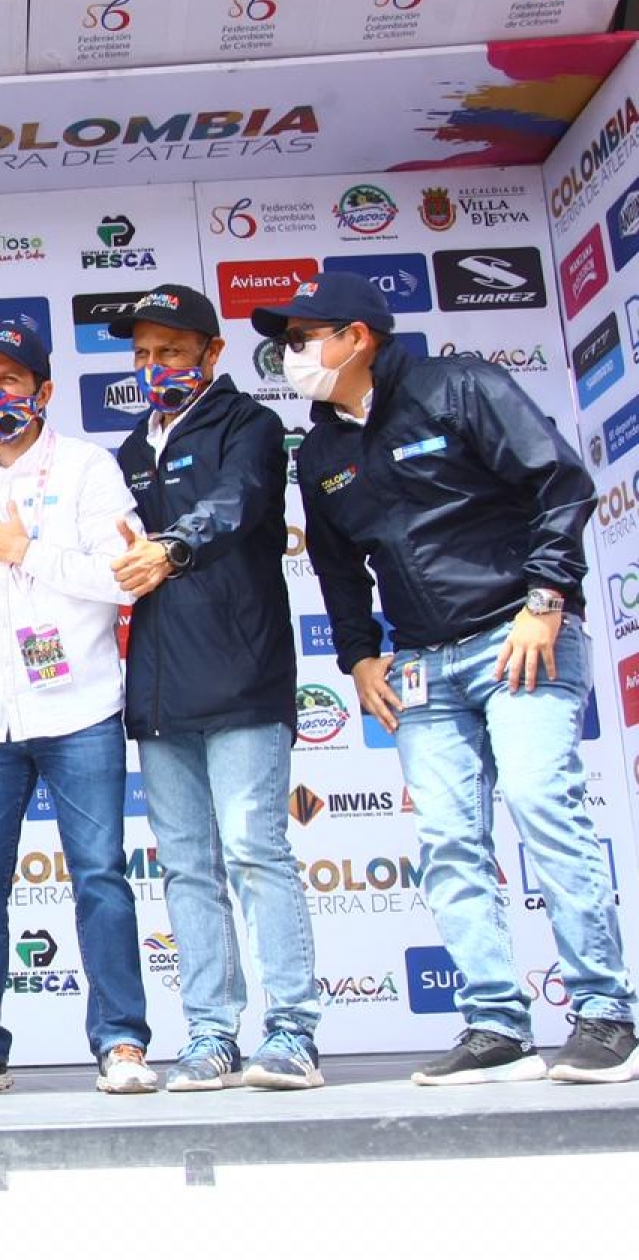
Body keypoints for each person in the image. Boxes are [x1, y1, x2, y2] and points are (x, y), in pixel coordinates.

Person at [257, 273, 639, 1085]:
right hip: (423, 663)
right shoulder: (319, 451)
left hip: (519, 636)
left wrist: (546, 598)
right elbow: (337, 567)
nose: (289, 355)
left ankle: (607, 1015)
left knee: (542, 804)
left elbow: (560, 482)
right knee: (448, 841)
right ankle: (497, 1027)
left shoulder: (457, 386)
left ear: (357, 336)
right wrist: (358, 655)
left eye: (301, 338)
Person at [0, 324, 156, 1099]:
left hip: (80, 709)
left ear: (44, 391)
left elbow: (125, 576)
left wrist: (26, 551)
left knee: (100, 877)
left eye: (10, 380)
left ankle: (121, 1042)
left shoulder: (87, 467)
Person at [105, 285, 322, 1092]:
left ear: (212, 352)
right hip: (159, 690)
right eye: (142, 354)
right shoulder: (130, 449)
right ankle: (210, 1033)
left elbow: (238, 503)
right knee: (188, 867)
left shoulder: (250, 426)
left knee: (255, 851)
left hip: (241, 676)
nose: (153, 365)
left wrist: (174, 545)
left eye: (170, 351)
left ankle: (292, 1030)